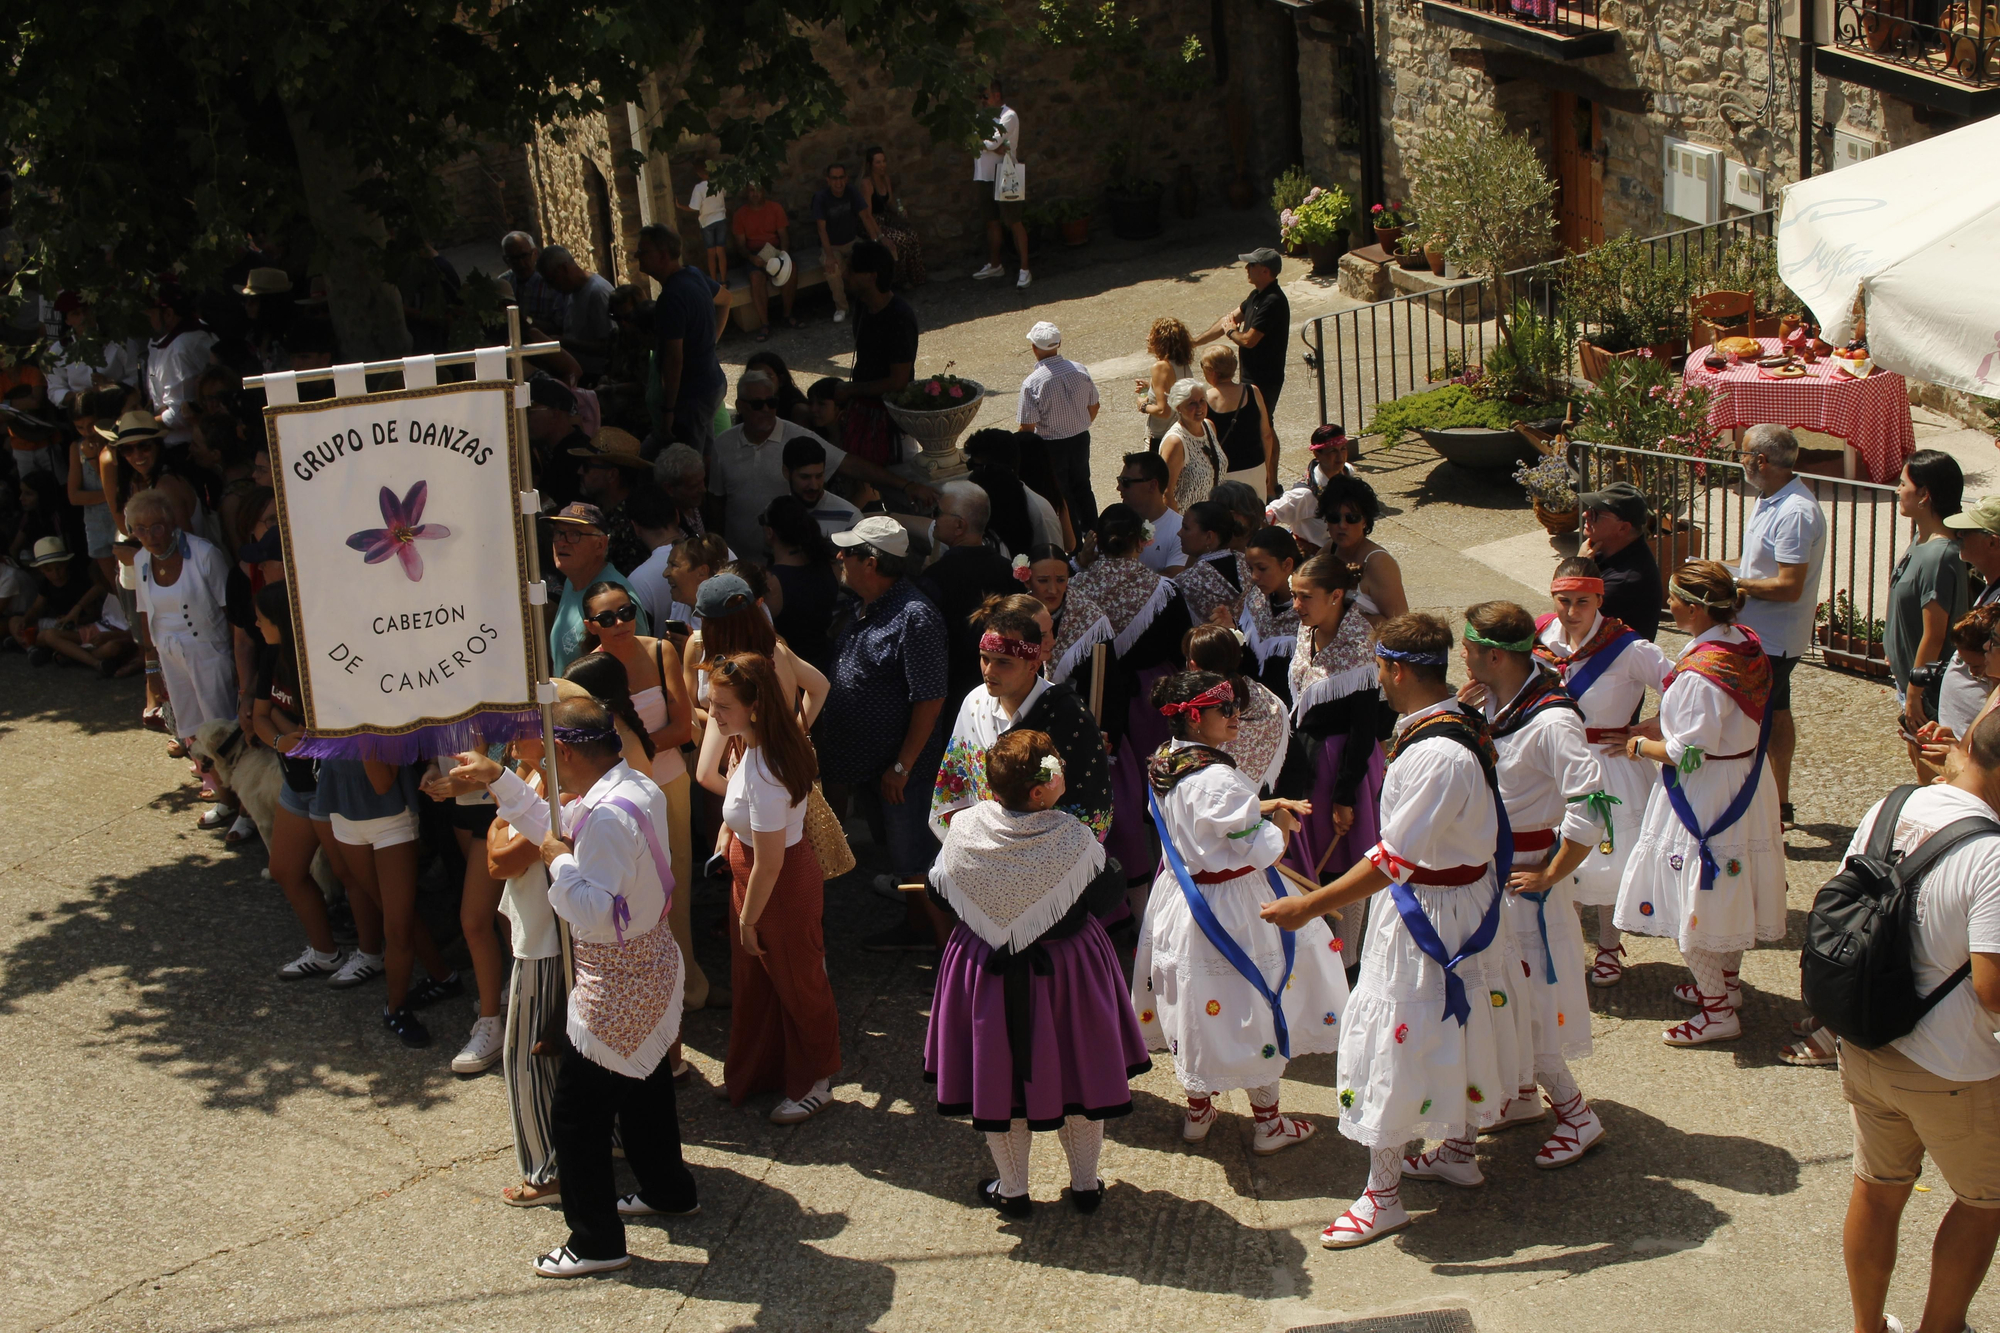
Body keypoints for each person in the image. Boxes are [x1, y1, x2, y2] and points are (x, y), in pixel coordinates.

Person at [1261, 612, 1519, 1250]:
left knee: (1399, 1037)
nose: (1377, 677)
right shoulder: (1453, 723)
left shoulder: (1434, 752)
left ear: (1397, 669)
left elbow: (1394, 859)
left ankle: (1384, 1196)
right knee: (1455, 1025)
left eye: (1379, 667)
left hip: (1431, 911)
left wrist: (1309, 904)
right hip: (1460, 902)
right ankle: (1457, 1147)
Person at [454, 697, 697, 1278]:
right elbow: (556, 823)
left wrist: (558, 863)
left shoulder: (609, 815)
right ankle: (669, 1188)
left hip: (618, 979)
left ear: (562, 751)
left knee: (577, 1116)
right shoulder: (632, 785)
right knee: (644, 1084)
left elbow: (590, 910)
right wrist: (501, 780)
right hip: (651, 964)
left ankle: (595, 1243)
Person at [925, 728, 1145, 1217]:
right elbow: (1105, 897)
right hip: (1069, 970)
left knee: (998, 1080)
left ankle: (1013, 1189)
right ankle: (1085, 1185)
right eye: (1055, 767)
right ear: (1040, 791)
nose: (1063, 770)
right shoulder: (1074, 838)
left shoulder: (966, 827)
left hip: (987, 972)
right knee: (1080, 1075)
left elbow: (938, 892)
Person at [1835, 711, 2000, 1333]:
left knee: (1878, 1188)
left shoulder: (1893, 805)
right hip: (1952, 1065)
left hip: (1869, 1041)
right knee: (1985, 1203)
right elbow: (1992, 987)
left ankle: (1868, 1328)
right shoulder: (1992, 855)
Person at [1134, 670, 1345, 1151]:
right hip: (1233, 903)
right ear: (1193, 716)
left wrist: (1264, 806)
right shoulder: (1215, 778)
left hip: (1182, 896)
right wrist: (1285, 824)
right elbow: (1262, 851)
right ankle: (1268, 1123)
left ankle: (1198, 1110)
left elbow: (1201, 821)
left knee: (1192, 1002)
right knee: (1255, 1000)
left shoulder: (1166, 761)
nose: (1235, 718)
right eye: (1224, 709)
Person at [1458, 600, 1611, 1169]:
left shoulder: (1552, 719)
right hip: (1496, 870)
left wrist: (1552, 872)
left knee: (1529, 996)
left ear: (1496, 655)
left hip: (1526, 880)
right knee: (1505, 990)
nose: (1464, 659)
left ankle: (1577, 1114)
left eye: (1470, 650)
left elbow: (1590, 805)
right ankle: (1522, 1096)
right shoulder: (1495, 700)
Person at [1615, 561, 1786, 1047]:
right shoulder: (1745, 644)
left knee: (1691, 893)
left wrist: (1638, 746)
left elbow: (1687, 753)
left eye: (1674, 599)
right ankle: (1724, 987)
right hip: (1746, 778)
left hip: (1706, 792)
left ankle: (1717, 1011)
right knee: (1726, 889)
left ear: (1692, 608)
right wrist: (1660, 723)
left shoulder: (1699, 674)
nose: (1668, 606)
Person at [696, 652, 842, 1122]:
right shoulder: (758, 746)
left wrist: (746, 918)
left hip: (775, 890)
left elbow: (772, 861)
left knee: (800, 985)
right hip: (758, 882)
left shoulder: (766, 770)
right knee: (757, 987)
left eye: (722, 707)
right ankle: (760, 1073)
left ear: (754, 707)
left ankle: (817, 1081)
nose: (712, 715)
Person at [1533, 557, 1672, 990]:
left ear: (1599, 599)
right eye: (1563, 600)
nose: (1571, 611)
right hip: (1552, 762)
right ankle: (1567, 947)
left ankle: (1609, 948)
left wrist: (1656, 725)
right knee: (1556, 859)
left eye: (1582, 602)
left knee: (1604, 863)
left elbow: (1684, 684)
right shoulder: (1540, 637)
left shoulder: (1628, 647)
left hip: (1608, 763)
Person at [573, 583, 708, 1013]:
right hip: (615, 802)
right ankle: (648, 995)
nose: (620, 623)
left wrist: (629, 747)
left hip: (669, 788)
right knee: (632, 893)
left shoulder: (660, 650)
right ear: (591, 624)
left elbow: (683, 730)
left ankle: (688, 986)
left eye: (626, 611)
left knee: (677, 886)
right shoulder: (584, 671)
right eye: (607, 617)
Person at [819, 518, 952, 950]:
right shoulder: (865, 604)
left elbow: (930, 698)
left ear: (871, 562)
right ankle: (917, 930)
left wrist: (902, 765)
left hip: (904, 769)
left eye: (849, 552)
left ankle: (954, 964)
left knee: (917, 861)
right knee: (900, 858)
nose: (839, 557)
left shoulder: (915, 616)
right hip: (875, 766)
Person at [1071, 505, 1195, 909]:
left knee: (1118, 783)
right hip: (1150, 693)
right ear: (1142, 541)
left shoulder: (1078, 586)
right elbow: (1180, 643)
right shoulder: (1160, 589)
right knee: (1158, 780)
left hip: (1098, 693)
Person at [930, 596, 1113, 840]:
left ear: (1032, 665)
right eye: (985, 658)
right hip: (982, 850)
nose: (989, 671)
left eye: (1003, 662)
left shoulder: (1068, 715)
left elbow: (1089, 801)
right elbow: (957, 783)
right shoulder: (974, 703)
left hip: (1047, 857)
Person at [1280, 553, 1386, 966]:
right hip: (1307, 759)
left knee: (1346, 859)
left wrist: (1346, 796)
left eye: (1305, 597)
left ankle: (1348, 959)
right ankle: (1317, 956)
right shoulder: (1309, 630)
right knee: (1310, 860)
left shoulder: (1359, 646)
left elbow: (1364, 729)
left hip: (1343, 766)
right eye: (1294, 596)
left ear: (1337, 595)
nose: (1296, 606)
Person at [248, 581, 349, 982]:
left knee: (353, 880)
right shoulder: (271, 656)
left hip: (330, 786)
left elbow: (318, 736)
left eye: (261, 619)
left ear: (282, 623)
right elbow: (259, 717)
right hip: (296, 783)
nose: (255, 625)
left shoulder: (318, 665)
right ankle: (326, 953)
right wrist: (278, 736)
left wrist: (279, 726)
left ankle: (374, 954)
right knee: (286, 869)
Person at [1730, 426, 1827, 827]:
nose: (1740, 461)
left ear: (1761, 461)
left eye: (1743, 454)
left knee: (1756, 721)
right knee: (1778, 712)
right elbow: (1762, 567)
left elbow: (1789, 586)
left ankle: (1764, 807)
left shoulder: (1795, 513)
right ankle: (1779, 805)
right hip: (1762, 633)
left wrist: (1734, 584)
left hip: (1773, 640)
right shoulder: (1770, 498)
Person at [482, 734, 563, 1208]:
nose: (509, 734)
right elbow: (498, 835)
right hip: (535, 932)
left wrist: (505, 830)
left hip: (545, 941)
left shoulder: (558, 794)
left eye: (524, 721)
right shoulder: (533, 778)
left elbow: (500, 859)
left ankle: (545, 1172)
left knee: (527, 1059)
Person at [128, 488, 240, 822]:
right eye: (141, 530)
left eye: (157, 527)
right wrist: (153, 669)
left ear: (172, 522)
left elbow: (231, 612)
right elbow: (146, 615)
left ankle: (247, 810)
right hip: (171, 656)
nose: (150, 536)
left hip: (210, 653)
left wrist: (240, 666)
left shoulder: (205, 555)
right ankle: (226, 801)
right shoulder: (139, 561)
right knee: (192, 731)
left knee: (224, 732)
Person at [1889, 449, 1969, 775]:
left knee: (1931, 771)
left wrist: (1913, 694)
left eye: (1902, 483)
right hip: (1908, 678)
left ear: (1924, 494)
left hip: (1925, 687)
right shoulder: (1921, 540)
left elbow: (1935, 635)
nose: (1897, 489)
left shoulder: (1940, 555)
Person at [634, 223, 729, 456]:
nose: (637, 257)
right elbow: (726, 299)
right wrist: (710, 341)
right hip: (712, 384)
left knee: (688, 465)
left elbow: (673, 360)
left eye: (643, 252)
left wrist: (668, 411)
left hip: (692, 396)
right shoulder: (693, 274)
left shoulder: (671, 298)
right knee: (707, 458)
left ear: (663, 255)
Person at [924, 481, 1019, 709]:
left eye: (937, 512)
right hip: (1002, 688)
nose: (933, 518)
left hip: (952, 694)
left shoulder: (935, 578)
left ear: (959, 526)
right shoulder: (1009, 572)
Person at [830, 241, 921, 474]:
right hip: (863, 413)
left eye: (851, 270)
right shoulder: (862, 305)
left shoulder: (899, 317)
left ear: (871, 276)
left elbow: (898, 381)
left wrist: (851, 390)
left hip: (891, 423)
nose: (845, 275)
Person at [1017, 321, 1100, 537]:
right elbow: (1094, 405)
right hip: (1081, 438)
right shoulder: (1080, 370)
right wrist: (1080, 424)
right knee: (1083, 486)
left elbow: (1026, 427)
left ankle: (1073, 545)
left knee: (1062, 494)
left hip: (1051, 445)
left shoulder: (1032, 383)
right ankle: (1095, 534)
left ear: (1034, 348)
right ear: (1059, 343)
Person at [1184, 623, 1289, 795]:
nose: (1234, 716)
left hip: (1212, 795)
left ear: (1193, 665)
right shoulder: (1268, 699)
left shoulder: (1199, 705)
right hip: (1254, 798)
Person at [546, 503, 650, 674]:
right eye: (559, 533)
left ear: (600, 545)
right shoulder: (572, 581)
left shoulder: (618, 599)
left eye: (574, 535)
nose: (562, 543)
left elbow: (639, 670)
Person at [1194, 248, 1290, 422]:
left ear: (1265, 271)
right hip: (1250, 374)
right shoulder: (1256, 296)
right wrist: (1195, 342)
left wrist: (1231, 332)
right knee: (1256, 421)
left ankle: (1271, 451)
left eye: (1251, 264)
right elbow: (1228, 320)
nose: (1246, 268)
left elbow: (1248, 340)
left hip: (1265, 377)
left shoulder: (1272, 301)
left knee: (1264, 423)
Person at [1939, 495, 2000, 738]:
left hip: (1979, 750)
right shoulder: (1991, 586)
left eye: (1967, 531)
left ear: (1993, 543)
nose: (1959, 536)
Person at [1574, 481, 1665, 644]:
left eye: (1596, 513)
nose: (1585, 514)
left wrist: (1579, 568)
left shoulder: (1625, 581)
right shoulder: (1604, 548)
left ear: (1623, 528)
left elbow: (1568, 624)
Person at [762, 495, 843, 674]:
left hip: (790, 673)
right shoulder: (830, 566)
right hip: (826, 666)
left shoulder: (772, 584)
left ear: (769, 532)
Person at [568, 427, 658, 576]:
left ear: (612, 475)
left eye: (587, 466)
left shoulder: (630, 525)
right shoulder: (602, 513)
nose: (580, 471)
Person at [1022, 543, 1112, 690]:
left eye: (1060, 580)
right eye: (1043, 580)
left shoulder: (1089, 619)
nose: (1053, 590)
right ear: (1027, 580)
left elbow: (1105, 681)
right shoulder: (1016, 615)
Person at [969, 77, 1030, 290]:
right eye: (980, 97)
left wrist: (986, 144)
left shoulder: (1009, 116)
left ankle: (1024, 269)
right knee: (991, 222)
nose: (982, 100)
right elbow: (972, 140)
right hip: (984, 174)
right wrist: (988, 145)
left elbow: (991, 141)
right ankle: (996, 265)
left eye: (985, 96)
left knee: (1014, 221)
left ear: (996, 95)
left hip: (1007, 172)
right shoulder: (980, 116)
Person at [11, 536, 107, 669]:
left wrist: (74, 620)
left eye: (59, 568)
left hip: (77, 627)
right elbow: (37, 608)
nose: (56, 574)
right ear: (42, 571)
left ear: (66, 564)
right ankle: (32, 649)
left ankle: (33, 646)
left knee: (44, 637)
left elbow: (94, 615)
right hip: (56, 623)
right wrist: (25, 620)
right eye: (49, 570)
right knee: (14, 621)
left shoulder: (77, 583)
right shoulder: (45, 584)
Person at [1200, 345, 1279, 499]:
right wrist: (1266, 469)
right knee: (1254, 517)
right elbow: (1267, 435)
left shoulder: (1204, 400)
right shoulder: (1253, 391)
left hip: (1222, 473)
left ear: (1211, 371)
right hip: (1255, 467)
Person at [144, 286, 218, 448]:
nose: (148, 320)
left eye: (151, 314)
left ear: (168, 314)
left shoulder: (180, 347)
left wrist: (141, 426)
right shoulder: (196, 331)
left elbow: (179, 414)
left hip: (184, 444)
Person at [1265, 424, 1355, 553]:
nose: (1340, 457)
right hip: (1314, 558)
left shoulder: (1348, 472)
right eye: (1333, 451)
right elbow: (1266, 517)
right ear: (1317, 454)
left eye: (1343, 449)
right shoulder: (1304, 495)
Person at [1239, 526, 1303, 703]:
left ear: (1287, 565)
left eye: (1262, 568)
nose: (1254, 576)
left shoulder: (1308, 612)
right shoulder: (1255, 599)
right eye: (1250, 568)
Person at [811, 162, 877, 325]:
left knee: (872, 258)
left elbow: (866, 217)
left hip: (852, 241)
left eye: (841, 178)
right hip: (831, 245)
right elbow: (821, 230)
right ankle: (841, 307)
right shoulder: (821, 198)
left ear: (846, 179)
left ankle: (873, 298)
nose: (838, 182)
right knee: (832, 269)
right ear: (828, 180)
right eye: (834, 178)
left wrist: (876, 241)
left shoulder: (851, 192)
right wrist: (830, 256)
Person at [538, 246, 616, 380]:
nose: (551, 287)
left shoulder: (597, 293)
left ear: (564, 269)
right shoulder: (571, 291)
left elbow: (609, 346)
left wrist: (566, 343)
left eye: (552, 280)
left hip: (595, 376)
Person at [733, 183, 798, 339]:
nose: (755, 194)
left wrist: (783, 256)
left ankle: (787, 315)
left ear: (764, 191)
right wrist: (752, 258)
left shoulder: (775, 208)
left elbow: (784, 237)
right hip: (754, 253)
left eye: (758, 190)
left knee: (792, 269)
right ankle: (765, 323)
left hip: (774, 249)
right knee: (756, 278)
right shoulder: (740, 214)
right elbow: (740, 246)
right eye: (751, 191)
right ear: (747, 193)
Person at [1172, 500, 1248, 627]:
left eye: (1186, 528)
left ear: (1209, 537)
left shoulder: (1188, 581)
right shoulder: (1247, 563)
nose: (1179, 533)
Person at [862, 146, 926, 288]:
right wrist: (880, 236)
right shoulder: (867, 183)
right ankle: (898, 280)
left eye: (884, 161)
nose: (882, 165)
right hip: (874, 224)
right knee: (899, 240)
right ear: (870, 164)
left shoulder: (885, 179)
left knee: (912, 235)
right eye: (878, 162)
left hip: (886, 219)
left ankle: (916, 277)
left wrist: (898, 210)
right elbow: (867, 214)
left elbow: (889, 202)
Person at [1109, 451, 1183, 575]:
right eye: (1119, 480)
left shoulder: (1180, 530)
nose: (1119, 488)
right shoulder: (1113, 521)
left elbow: (1173, 578)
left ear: (1152, 485)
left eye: (1125, 482)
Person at [1159, 379, 1220, 515]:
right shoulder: (1175, 442)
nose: (1199, 407)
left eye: (1202, 400)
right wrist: (1180, 530)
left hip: (1211, 518)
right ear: (1179, 407)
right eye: (1192, 403)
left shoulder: (1209, 426)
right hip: (1189, 525)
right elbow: (1166, 493)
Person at [1135, 317, 1194, 450]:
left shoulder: (1160, 367)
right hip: (1182, 434)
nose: (1147, 337)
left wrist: (1142, 405)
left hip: (1161, 439)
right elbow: (1174, 393)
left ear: (1161, 340)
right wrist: (1151, 388)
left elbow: (1163, 411)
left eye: (1152, 334)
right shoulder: (1183, 365)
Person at [500, 231, 571, 336]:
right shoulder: (504, 283)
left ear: (535, 254)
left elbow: (560, 328)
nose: (521, 263)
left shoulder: (552, 283)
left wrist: (525, 320)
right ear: (506, 260)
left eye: (524, 256)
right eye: (513, 259)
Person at [677, 159, 728, 282]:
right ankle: (724, 281)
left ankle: (715, 282)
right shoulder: (719, 183)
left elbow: (694, 207)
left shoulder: (699, 188)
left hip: (707, 223)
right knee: (721, 252)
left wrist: (680, 206)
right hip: (721, 219)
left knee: (711, 253)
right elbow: (724, 194)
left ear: (699, 173)